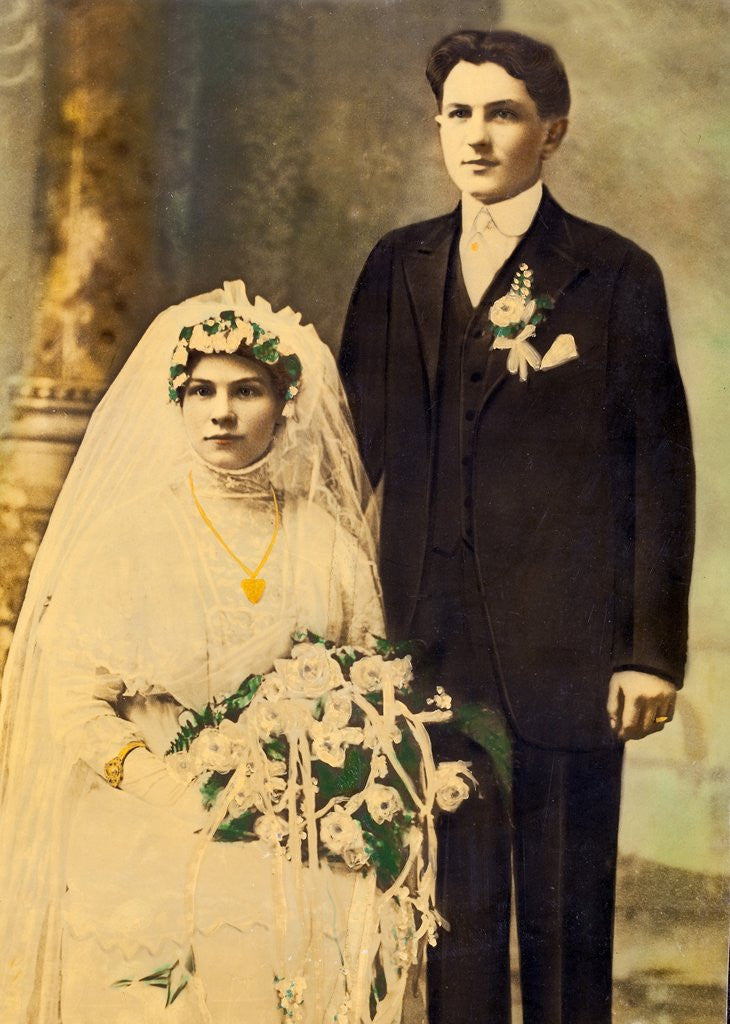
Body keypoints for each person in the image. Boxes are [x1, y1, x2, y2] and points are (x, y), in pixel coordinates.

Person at [339, 28, 695, 1024]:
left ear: (553, 131)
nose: (477, 136)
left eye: (504, 114)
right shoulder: (397, 264)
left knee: (564, 923)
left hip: (566, 650)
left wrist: (648, 652)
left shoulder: (612, 274)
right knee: (450, 916)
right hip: (425, 645)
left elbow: (660, 472)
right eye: (458, 113)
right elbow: (346, 451)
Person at [0, 280, 449, 1023]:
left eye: (247, 391)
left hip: (297, 818)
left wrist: (319, 787)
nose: (222, 412)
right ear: (177, 403)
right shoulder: (128, 536)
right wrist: (174, 793)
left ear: (285, 406)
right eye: (201, 391)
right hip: (151, 806)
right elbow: (75, 703)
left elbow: (369, 687)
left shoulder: (325, 541)